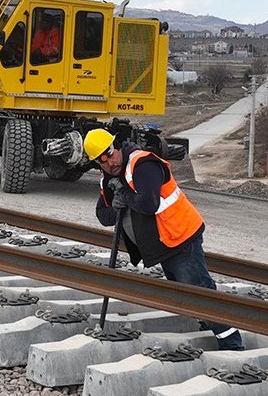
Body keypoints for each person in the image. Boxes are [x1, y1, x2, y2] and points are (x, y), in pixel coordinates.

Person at [84, 128, 245, 351]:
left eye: (110, 154)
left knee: (200, 291)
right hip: (164, 243)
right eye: (101, 161)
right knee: (187, 292)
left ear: (117, 146)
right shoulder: (109, 180)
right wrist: (119, 204)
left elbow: (149, 204)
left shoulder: (143, 165)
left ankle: (232, 345)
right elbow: (104, 216)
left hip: (181, 236)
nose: (109, 162)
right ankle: (209, 326)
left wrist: (126, 196)